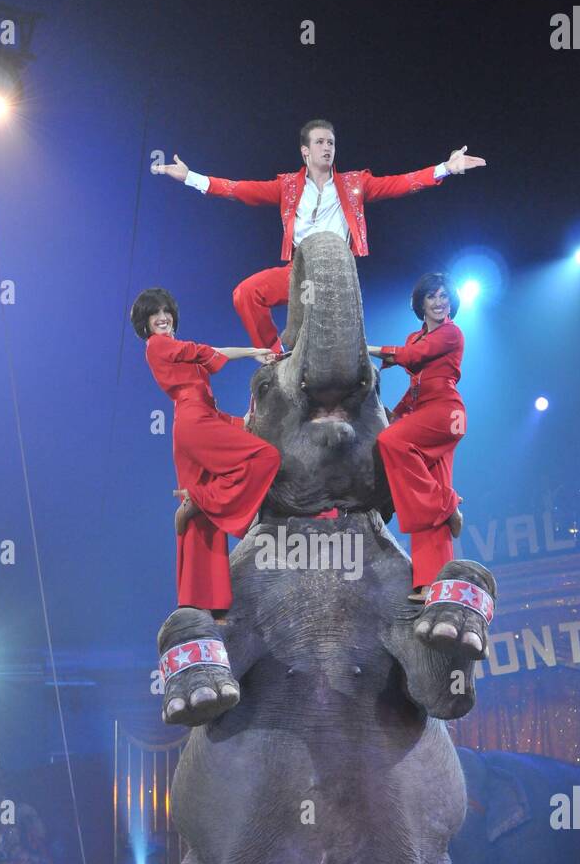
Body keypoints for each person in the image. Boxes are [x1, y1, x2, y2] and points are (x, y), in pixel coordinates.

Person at [156, 119, 486, 349]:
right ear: (305, 151)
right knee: (246, 294)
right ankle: (273, 356)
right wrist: (190, 177)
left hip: (336, 273)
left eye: (331, 142)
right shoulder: (286, 186)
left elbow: (401, 182)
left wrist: (445, 168)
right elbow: (239, 189)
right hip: (299, 270)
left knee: (319, 334)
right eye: (320, 142)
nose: (327, 147)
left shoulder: (355, 183)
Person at [131, 287, 281, 613]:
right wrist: (253, 351)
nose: (162, 318)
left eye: (166, 311)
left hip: (196, 421)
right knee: (266, 456)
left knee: (204, 526)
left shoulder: (176, 353)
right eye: (154, 314)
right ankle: (200, 500)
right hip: (193, 424)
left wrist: (239, 422)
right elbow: (207, 351)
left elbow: (207, 400)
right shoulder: (159, 346)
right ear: (145, 323)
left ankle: (202, 602)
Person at [368, 272, 467, 599]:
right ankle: (432, 585)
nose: (440, 302)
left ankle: (447, 503)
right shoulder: (414, 336)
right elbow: (414, 388)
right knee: (426, 509)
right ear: (421, 303)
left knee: (390, 442)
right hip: (423, 409)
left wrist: (364, 348)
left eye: (444, 296)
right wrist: (393, 414)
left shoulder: (452, 333)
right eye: (432, 296)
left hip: (445, 413)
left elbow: (411, 358)